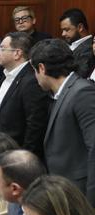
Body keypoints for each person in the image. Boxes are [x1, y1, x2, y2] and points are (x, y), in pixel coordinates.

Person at [32, 39, 95, 205]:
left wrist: (91, 202)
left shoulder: (82, 92)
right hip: (64, 192)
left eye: (35, 71)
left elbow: (94, 148)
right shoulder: (59, 94)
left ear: (42, 68)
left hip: (80, 195)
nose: (35, 77)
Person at [0, 32, 49, 160]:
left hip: (15, 156)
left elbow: (35, 125)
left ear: (17, 53)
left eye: (2, 48)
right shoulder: (6, 76)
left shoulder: (31, 80)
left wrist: (24, 157)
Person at [58, 8, 95, 78]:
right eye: (62, 30)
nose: (63, 34)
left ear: (80, 27)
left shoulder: (90, 48)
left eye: (66, 30)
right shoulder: (66, 44)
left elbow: (78, 77)